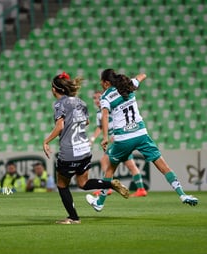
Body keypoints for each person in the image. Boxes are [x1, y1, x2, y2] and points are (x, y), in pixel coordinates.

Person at [86, 69, 198, 212]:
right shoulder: (127, 85)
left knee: (110, 169)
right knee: (163, 166)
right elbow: (144, 75)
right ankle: (182, 194)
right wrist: (130, 80)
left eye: (102, 83)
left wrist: (105, 138)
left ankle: (100, 202)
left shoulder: (106, 96)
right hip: (141, 134)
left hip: (123, 138)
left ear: (106, 83)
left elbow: (105, 116)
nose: (101, 86)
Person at [42, 72, 129, 225]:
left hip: (69, 151)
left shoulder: (59, 104)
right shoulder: (81, 102)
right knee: (83, 183)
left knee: (62, 184)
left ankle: (73, 217)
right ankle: (110, 184)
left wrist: (46, 141)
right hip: (85, 149)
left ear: (54, 89)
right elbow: (87, 122)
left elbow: (60, 125)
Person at [90, 90, 147, 197]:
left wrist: (117, 134)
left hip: (120, 138)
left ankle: (107, 187)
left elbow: (120, 116)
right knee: (130, 165)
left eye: (98, 97)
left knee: (104, 160)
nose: (96, 100)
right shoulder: (99, 113)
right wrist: (92, 139)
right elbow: (100, 127)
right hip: (117, 139)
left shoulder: (110, 106)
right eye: (94, 98)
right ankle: (141, 189)